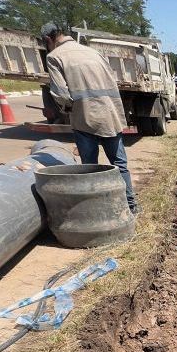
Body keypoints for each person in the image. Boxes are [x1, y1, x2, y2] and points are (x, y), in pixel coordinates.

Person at [40, 22, 138, 214]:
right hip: (110, 114)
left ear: (48, 39)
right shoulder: (92, 52)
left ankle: (97, 211)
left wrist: (66, 110)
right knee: (119, 165)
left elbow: (60, 93)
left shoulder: (54, 57)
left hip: (85, 116)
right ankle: (131, 207)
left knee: (90, 168)